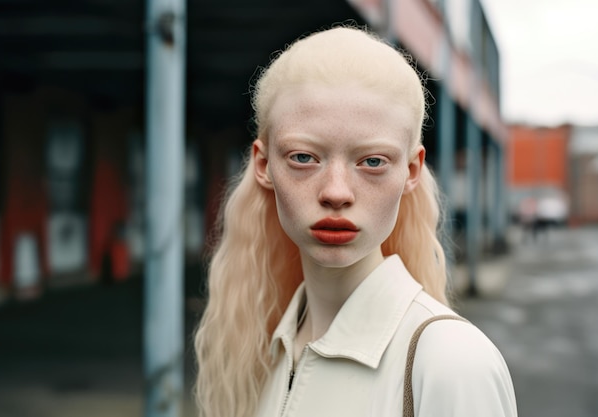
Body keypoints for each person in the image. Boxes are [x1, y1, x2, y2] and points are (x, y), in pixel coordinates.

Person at [194, 25, 517, 417]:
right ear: (263, 165)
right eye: (303, 157)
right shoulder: (265, 349)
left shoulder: (453, 363)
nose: (336, 192)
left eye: (373, 162)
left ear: (412, 170)